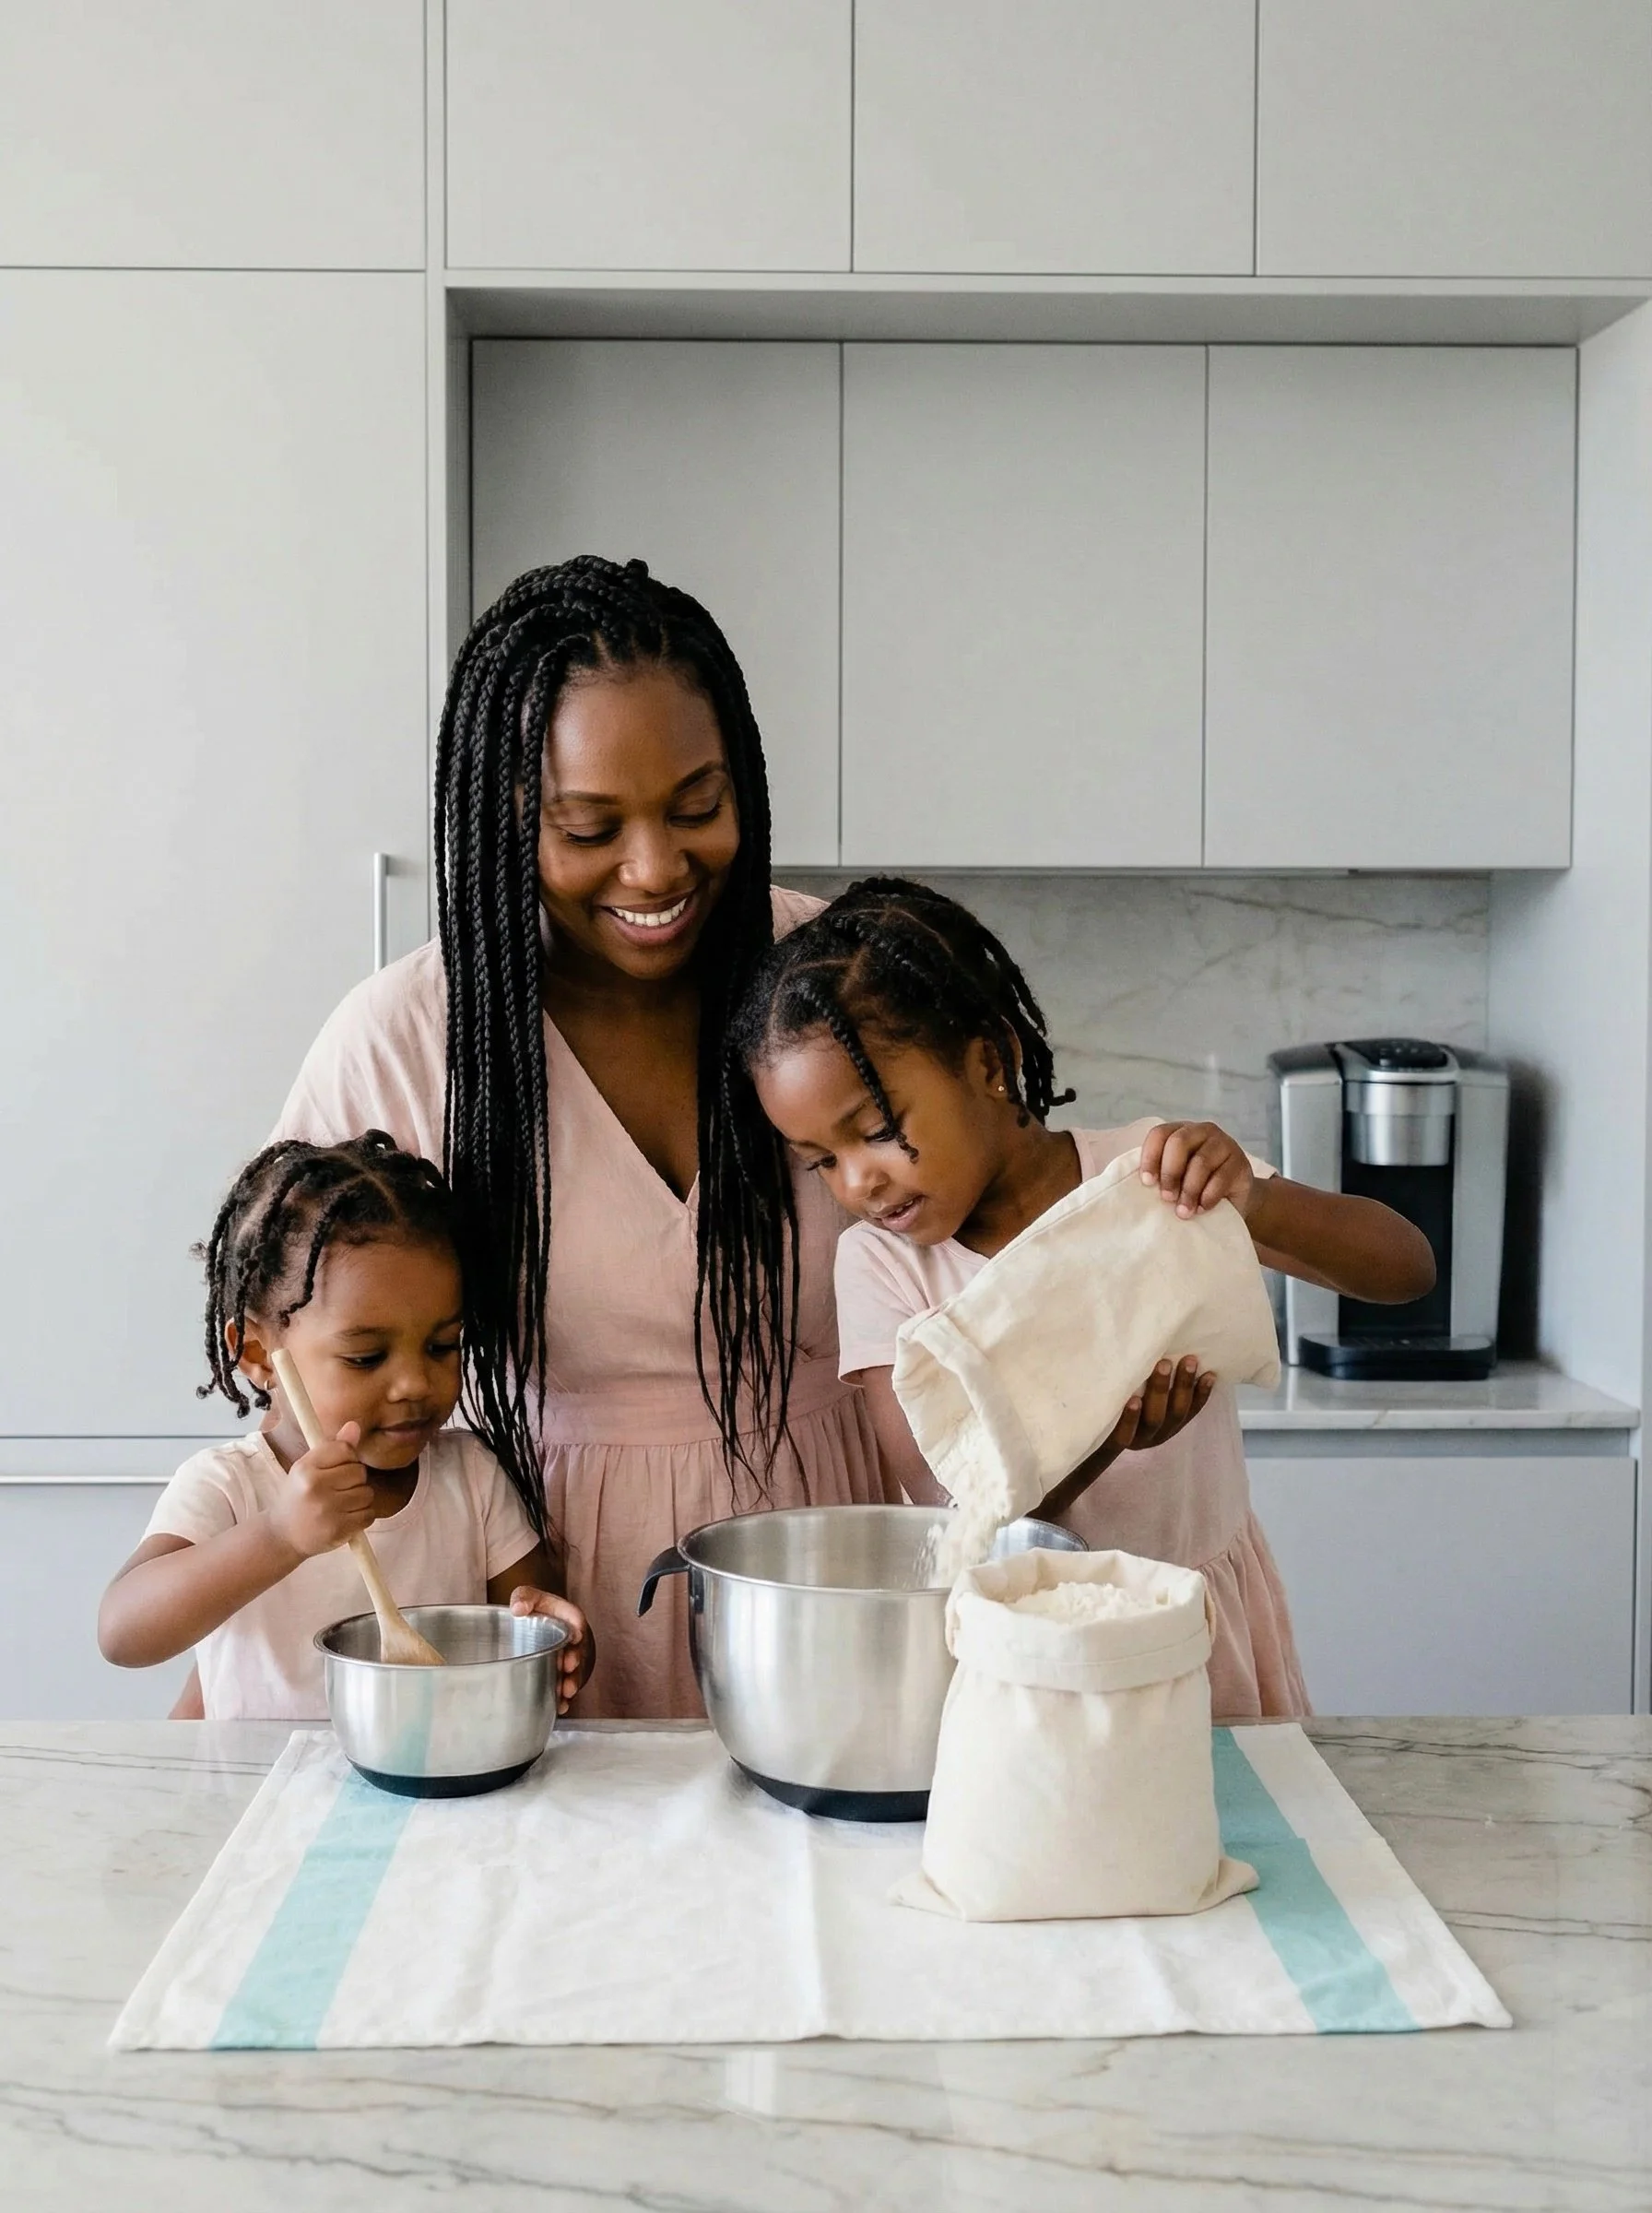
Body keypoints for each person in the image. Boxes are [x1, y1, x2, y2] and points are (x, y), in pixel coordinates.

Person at [269, 559, 885, 1717]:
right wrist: (244, 1655)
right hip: (532, 1585)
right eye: (588, 828)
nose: (655, 869)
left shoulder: (831, 981)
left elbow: (985, 1220)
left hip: (832, 1568)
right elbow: (296, 1380)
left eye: (697, 808)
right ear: (505, 820)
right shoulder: (407, 1037)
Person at [730, 877, 1438, 1720]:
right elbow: (948, 1503)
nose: (858, 1182)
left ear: (990, 1063)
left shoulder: (1147, 1178)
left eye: (878, 1129)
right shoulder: (883, 1268)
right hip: (1027, 1657)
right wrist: (1105, 1440)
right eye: (821, 1160)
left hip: (1194, 1626)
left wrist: (1253, 1197)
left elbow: (1405, 1271)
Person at [99, 1134, 591, 1721]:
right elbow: (122, 1633)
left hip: (430, 1794)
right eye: (367, 1357)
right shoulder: (230, 1488)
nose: (414, 1383)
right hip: (267, 1799)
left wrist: (562, 1649)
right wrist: (281, 1536)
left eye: (441, 1345)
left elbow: (535, 1623)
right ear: (256, 1353)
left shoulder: (471, 1478)